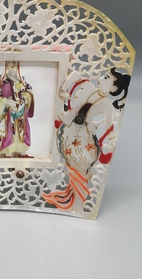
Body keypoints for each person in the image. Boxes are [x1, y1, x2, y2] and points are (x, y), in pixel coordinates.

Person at [42, 67, 131, 210]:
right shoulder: (89, 87)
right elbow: (75, 74)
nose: (100, 79)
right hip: (69, 132)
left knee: (80, 168)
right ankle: (74, 199)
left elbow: (108, 126)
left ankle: (78, 201)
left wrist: (111, 138)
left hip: (83, 140)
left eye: (106, 78)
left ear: (113, 88)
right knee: (73, 168)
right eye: (103, 76)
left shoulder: (107, 105)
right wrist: (63, 90)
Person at [0, 61, 35, 158]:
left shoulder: (21, 79)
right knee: (8, 132)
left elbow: (29, 91)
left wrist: (25, 96)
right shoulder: (2, 80)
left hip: (21, 110)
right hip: (8, 111)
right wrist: (5, 101)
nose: (12, 65)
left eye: (14, 62)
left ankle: (22, 152)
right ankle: (7, 153)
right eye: (9, 63)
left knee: (22, 131)